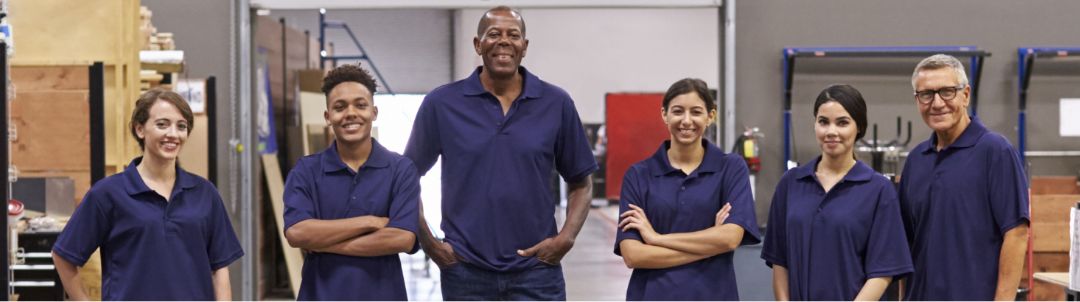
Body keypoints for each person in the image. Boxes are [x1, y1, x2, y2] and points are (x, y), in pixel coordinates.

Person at [404, 6, 598, 300]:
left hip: (537, 271)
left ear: (525, 46)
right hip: (465, 272)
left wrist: (565, 239)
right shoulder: (442, 104)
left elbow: (581, 182)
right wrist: (430, 244)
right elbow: (407, 178)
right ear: (478, 44)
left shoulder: (555, 103)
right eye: (493, 34)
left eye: (513, 35)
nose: (504, 41)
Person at [51, 88, 243, 300]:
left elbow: (220, 270)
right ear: (140, 129)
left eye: (181, 126)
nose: (173, 134)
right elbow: (64, 257)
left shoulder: (205, 193)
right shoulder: (108, 194)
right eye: (162, 124)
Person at [760, 84, 913, 300]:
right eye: (823, 122)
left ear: (858, 127)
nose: (831, 131)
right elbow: (780, 261)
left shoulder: (878, 190)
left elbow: (883, 271)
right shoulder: (790, 184)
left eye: (842, 123)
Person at [282, 64, 419, 300]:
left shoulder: (400, 170)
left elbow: (402, 238)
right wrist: (368, 221)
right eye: (339, 107)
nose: (351, 113)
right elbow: (297, 232)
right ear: (328, 117)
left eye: (361, 105)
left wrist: (324, 244)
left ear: (374, 112)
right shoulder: (307, 170)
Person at [614, 78, 760, 300]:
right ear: (665, 114)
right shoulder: (639, 175)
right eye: (678, 111)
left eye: (696, 112)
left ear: (710, 116)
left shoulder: (730, 168)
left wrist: (656, 238)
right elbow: (633, 255)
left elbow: (730, 239)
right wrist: (712, 243)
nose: (686, 120)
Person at [898, 54, 1029, 300]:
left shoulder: (995, 151)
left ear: (965, 94)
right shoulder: (916, 160)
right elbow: (908, 244)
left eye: (947, 91)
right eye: (926, 94)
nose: (936, 103)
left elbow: (1016, 233)